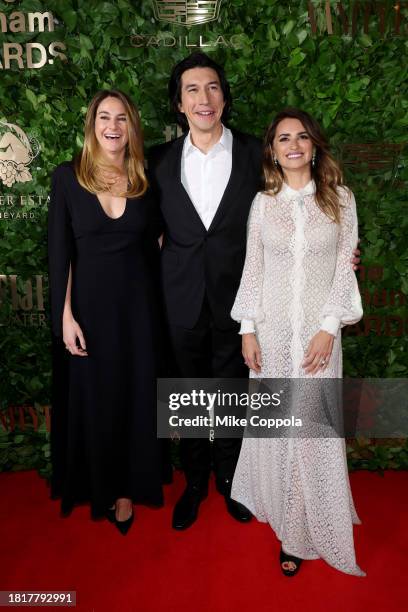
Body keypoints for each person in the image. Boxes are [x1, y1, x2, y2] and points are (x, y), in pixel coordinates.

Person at [230, 108, 365, 576]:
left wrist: (330, 327)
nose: (293, 145)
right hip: (271, 335)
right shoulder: (262, 203)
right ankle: (290, 526)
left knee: (313, 432)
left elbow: (345, 268)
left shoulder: (340, 200)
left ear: (314, 145)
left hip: (317, 338)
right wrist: (247, 329)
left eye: (302, 136)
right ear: (272, 150)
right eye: (283, 138)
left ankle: (310, 524)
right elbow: (253, 268)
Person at [149, 52, 261, 529]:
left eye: (212, 87)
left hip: (240, 300)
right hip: (180, 300)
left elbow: (292, 209)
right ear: (179, 103)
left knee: (234, 391)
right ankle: (194, 481)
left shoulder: (259, 153)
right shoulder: (156, 160)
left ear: (224, 96)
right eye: (192, 89)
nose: (203, 98)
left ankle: (231, 479)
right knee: (188, 393)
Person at [48, 90, 164, 534]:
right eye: (104, 117)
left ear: (132, 126)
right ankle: (99, 483)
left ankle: (125, 491)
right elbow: (62, 255)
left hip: (138, 314)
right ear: (92, 124)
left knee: (135, 398)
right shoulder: (67, 177)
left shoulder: (144, 180)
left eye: (121, 118)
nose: (112, 126)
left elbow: (162, 244)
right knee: (97, 400)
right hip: (89, 313)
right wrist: (66, 316)